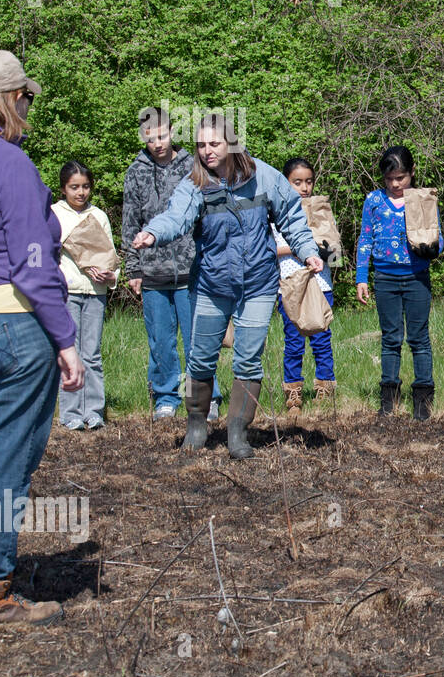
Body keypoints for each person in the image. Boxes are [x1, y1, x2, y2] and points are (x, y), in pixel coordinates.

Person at [132, 113, 322, 458]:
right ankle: (196, 425)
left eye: (214, 144)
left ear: (231, 143)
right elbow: (176, 216)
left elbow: (292, 216)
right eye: (201, 145)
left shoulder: (263, 176)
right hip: (211, 282)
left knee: (248, 360)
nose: (206, 151)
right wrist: (153, 232)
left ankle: (238, 433)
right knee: (200, 360)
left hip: (258, 284)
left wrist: (308, 251)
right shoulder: (195, 183)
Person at [0, 48, 82, 624]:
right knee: (3, 458)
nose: (28, 106)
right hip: (11, 327)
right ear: (6, 100)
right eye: (25, 96)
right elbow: (31, 261)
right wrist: (65, 339)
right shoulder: (10, 164)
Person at [122, 107, 220, 421]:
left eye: (163, 135)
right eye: (151, 139)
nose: (158, 143)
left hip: (193, 269)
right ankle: (165, 396)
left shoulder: (193, 166)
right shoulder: (135, 171)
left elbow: (208, 213)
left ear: (172, 131)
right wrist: (133, 267)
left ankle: (204, 398)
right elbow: (129, 222)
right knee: (161, 342)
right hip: (153, 272)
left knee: (198, 340)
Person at [355, 146, 442, 419]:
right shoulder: (374, 200)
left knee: (419, 338)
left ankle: (423, 400)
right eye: (390, 178)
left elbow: (439, 235)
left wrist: (434, 249)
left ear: (412, 173)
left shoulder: (423, 199)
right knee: (391, 338)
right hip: (385, 278)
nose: (395, 184)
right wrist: (361, 278)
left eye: (401, 177)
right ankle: (388, 399)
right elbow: (365, 239)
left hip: (417, 277)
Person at [52, 160, 117, 430]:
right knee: (71, 353)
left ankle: (93, 411)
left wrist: (110, 276)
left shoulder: (99, 216)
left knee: (92, 354)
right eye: (74, 187)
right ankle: (70, 414)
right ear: (64, 188)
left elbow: (111, 256)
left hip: (95, 292)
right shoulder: (54, 214)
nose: (81, 193)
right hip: (68, 292)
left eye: (86, 187)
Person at [277, 158, 337, 417]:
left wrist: (327, 251)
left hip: (321, 284)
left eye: (308, 181)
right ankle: (293, 393)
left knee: (322, 338)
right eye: (297, 182)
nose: (304, 187)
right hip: (291, 287)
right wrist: (304, 247)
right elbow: (272, 249)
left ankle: (325, 389)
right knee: (293, 341)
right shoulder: (278, 212)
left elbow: (336, 256)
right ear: (285, 183)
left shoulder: (322, 210)